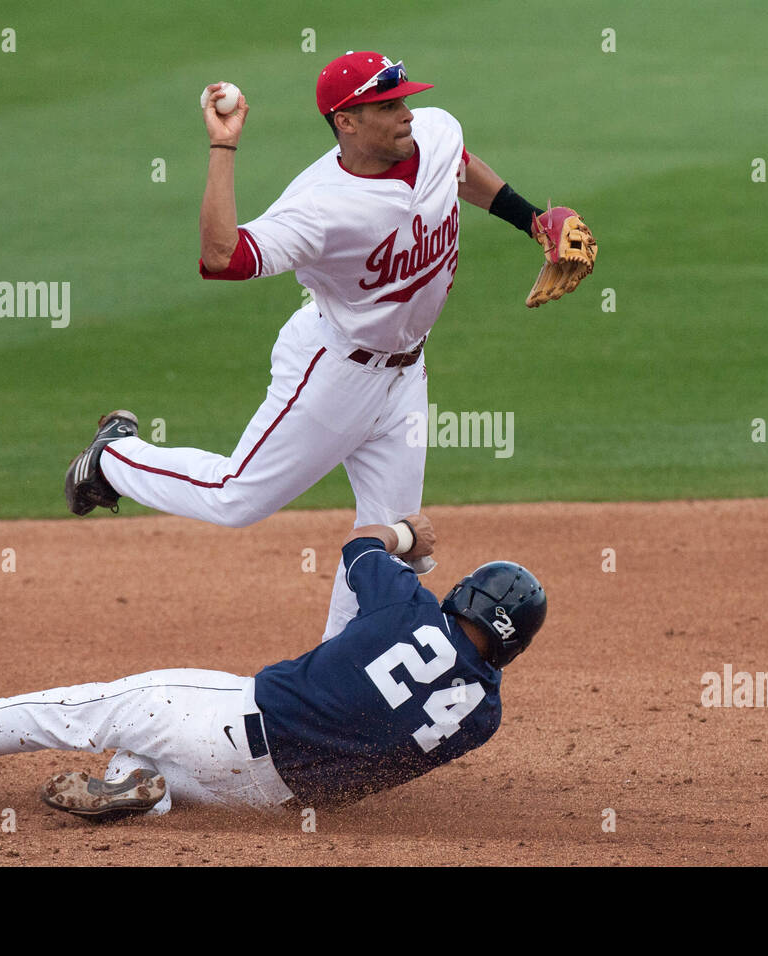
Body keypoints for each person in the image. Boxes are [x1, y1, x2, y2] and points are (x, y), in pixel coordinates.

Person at [63, 51, 585, 640]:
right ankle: (114, 456)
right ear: (347, 122)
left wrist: (534, 220)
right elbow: (222, 257)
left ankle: (340, 677)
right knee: (238, 498)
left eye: (404, 99)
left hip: (408, 376)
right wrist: (223, 149)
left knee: (390, 541)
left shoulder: (435, 131)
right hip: (334, 371)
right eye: (387, 106)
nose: (405, 114)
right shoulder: (318, 207)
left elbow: (458, 169)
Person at [0, 515, 548, 821]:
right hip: (273, 799)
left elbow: (360, 546)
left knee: (86, 709)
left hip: (230, 722)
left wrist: (406, 537)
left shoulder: (408, 605)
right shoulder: (484, 716)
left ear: (467, 594)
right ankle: (144, 790)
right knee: (148, 751)